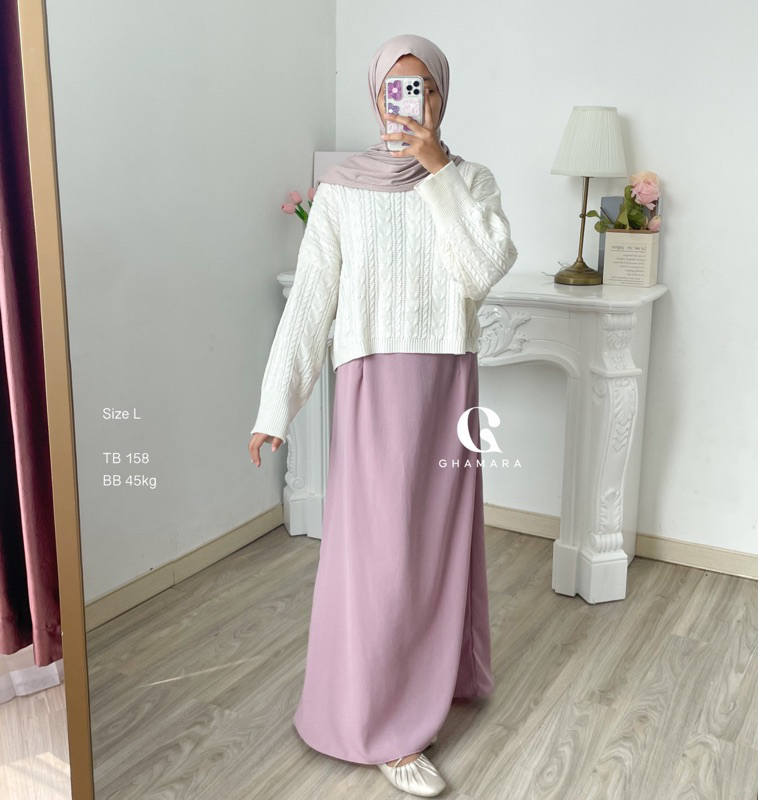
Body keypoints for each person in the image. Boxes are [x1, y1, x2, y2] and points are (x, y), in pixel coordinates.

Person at [248, 33, 518, 798]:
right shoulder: (343, 188)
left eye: (422, 87)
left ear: (441, 97)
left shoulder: (470, 179)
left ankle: (437, 683)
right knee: (381, 558)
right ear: (375, 98)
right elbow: (312, 300)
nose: (408, 101)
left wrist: (437, 172)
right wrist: (276, 405)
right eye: (395, 88)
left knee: (440, 547)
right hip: (373, 383)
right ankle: (387, 726)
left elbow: (482, 272)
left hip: (447, 380)